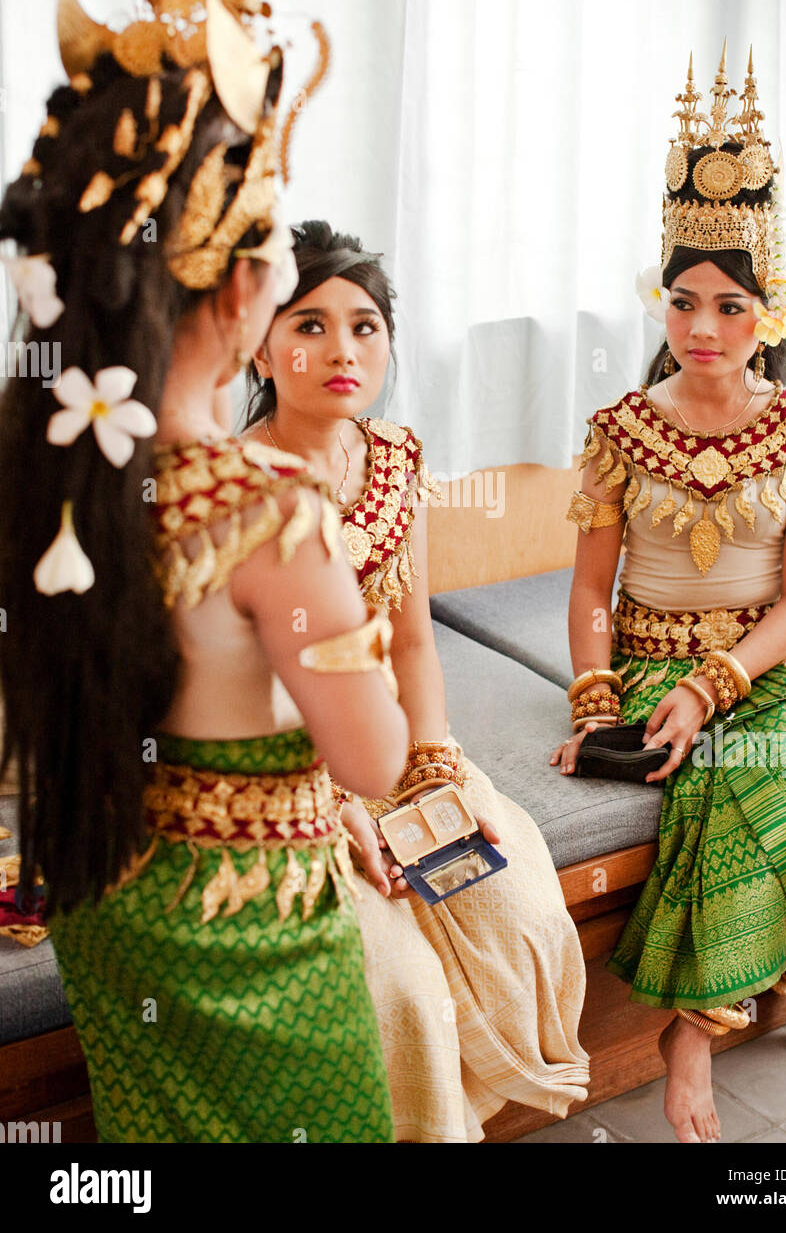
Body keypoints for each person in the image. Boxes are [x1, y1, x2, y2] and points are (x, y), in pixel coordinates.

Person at [0, 0, 408, 1143]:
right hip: (254, 919)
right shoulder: (271, 511)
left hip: (106, 884)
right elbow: (374, 761)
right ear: (240, 292)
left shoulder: (36, 458)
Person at [551, 47, 786, 1144]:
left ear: (769, 311)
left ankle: (719, 1012)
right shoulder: (617, 431)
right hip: (645, 659)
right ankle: (759, 991)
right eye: (683, 301)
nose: (701, 328)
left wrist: (715, 686)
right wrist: (597, 701)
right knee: (722, 786)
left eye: (729, 305)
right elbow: (590, 591)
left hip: (773, 663)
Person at [241, 219, 590, 1143]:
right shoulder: (230, 486)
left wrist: (435, 764)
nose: (340, 349)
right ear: (261, 348)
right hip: (275, 772)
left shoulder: (394, 456)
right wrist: (322, 804)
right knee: (402, 990)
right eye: (308, 325)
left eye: (364, 325)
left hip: (394, 744)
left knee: (518, 913)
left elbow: (411, 641)